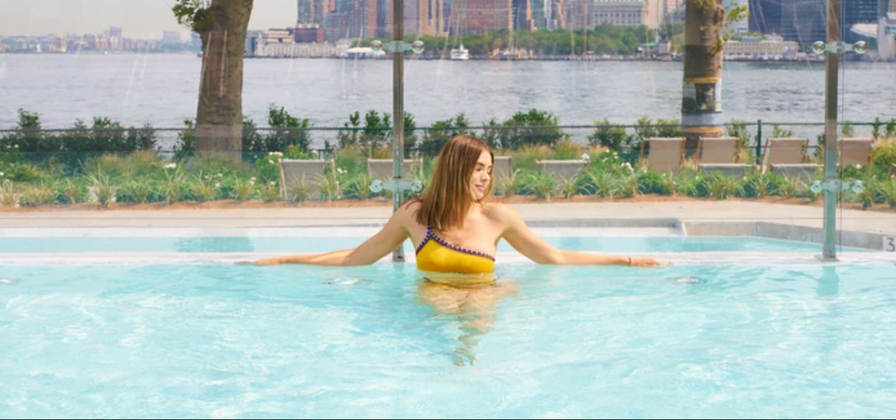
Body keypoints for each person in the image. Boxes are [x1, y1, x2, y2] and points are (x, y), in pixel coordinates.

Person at [252, 135, 667, 278]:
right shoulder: (415, 215)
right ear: (455, 170)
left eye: (489, 169)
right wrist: (289, 260)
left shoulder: (498, 217)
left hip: (482, 305)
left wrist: (625, 261)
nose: (485, 178)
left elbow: (554, 257)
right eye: (477, 170)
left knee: (465, 355)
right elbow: (357, 257)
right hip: (432, 306)